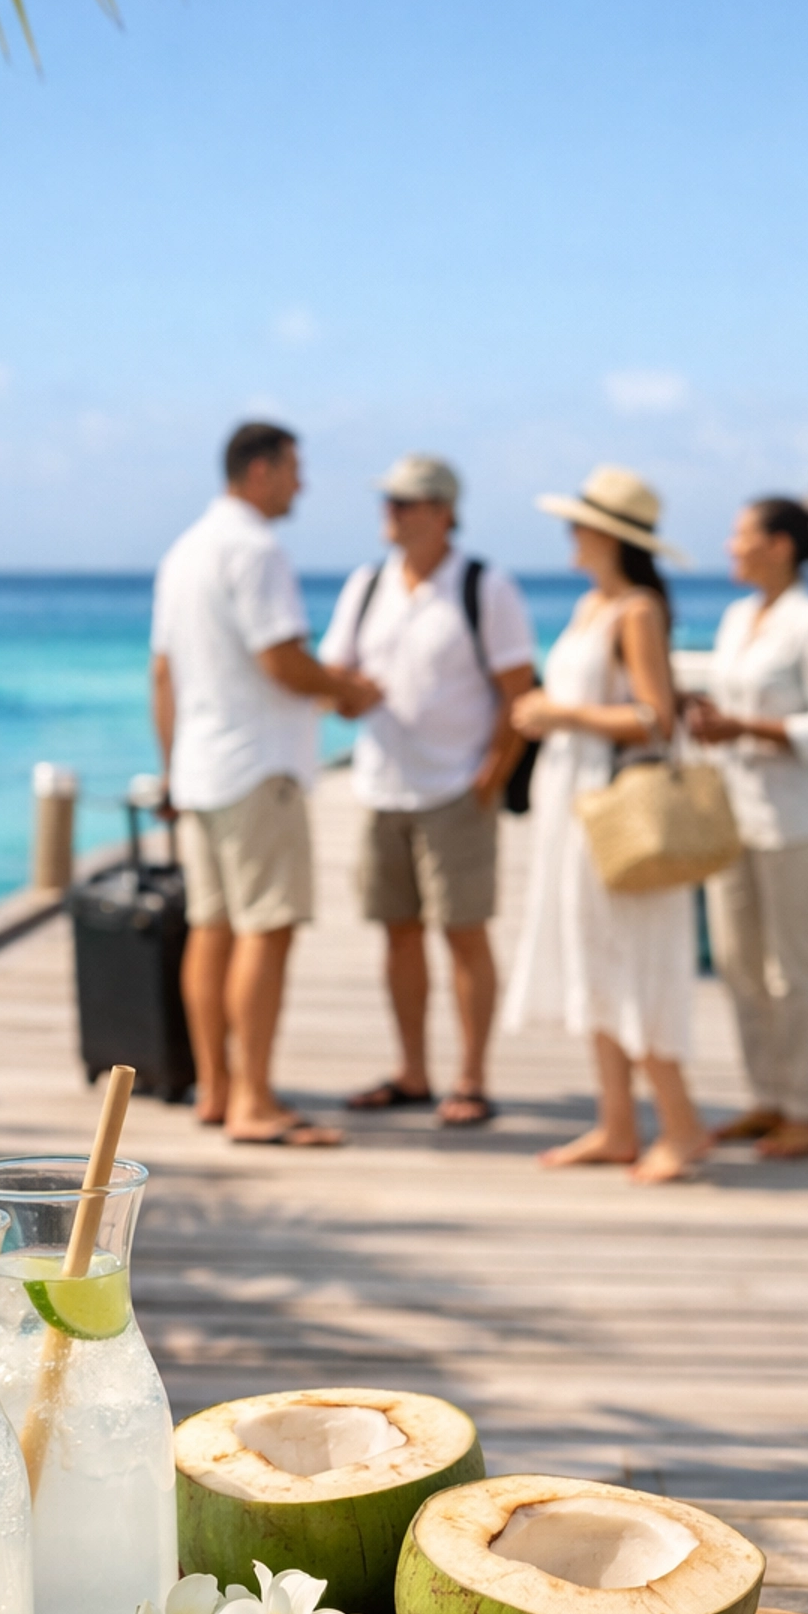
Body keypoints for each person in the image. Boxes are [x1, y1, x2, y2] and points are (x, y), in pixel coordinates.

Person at [151, 421, 381, 1146]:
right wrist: (349, 691)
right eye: (292, 470)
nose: (301, 484)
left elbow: (163, 674)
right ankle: (254, 1100)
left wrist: (171, 769)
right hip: (259, 767)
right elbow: (283, 660)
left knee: (210, 930)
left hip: (201, 767)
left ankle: (216, 1090)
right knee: (266, 929)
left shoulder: (183, 551)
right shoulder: (256, 548)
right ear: (259, 471)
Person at [502, 465, 708, 1185]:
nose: (568, 534)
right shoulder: (595, 605)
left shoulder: (637, 610)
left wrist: (560, 714)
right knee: (592, 953)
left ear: (605, 536)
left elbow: (656, 717)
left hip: (613, 806)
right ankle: (618, 1122)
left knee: (629, 959)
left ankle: (680, 1126)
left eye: (578, 524)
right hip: (575, 802)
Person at [321, 453, 536, 1126]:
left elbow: (519, 692)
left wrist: (490, 775)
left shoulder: (484, 585)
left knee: (465, 932)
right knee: (398, 932)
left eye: (406, 501)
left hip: (456, 791)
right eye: (387, 499)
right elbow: (338, 684)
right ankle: (413, 1071)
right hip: (381, 786)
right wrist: (350, 696)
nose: (391, 511)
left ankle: (470, 1076)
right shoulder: (365, 584)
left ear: (443, 511)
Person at [684, 497, 808, 1160]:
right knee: (738, 964)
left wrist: (745, 727)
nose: (730, 545)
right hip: (736, 814)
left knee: (797, 968)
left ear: (779, 545)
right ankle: (769, 1096)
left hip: (798, 820)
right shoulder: (737, 617)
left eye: (740, 533)